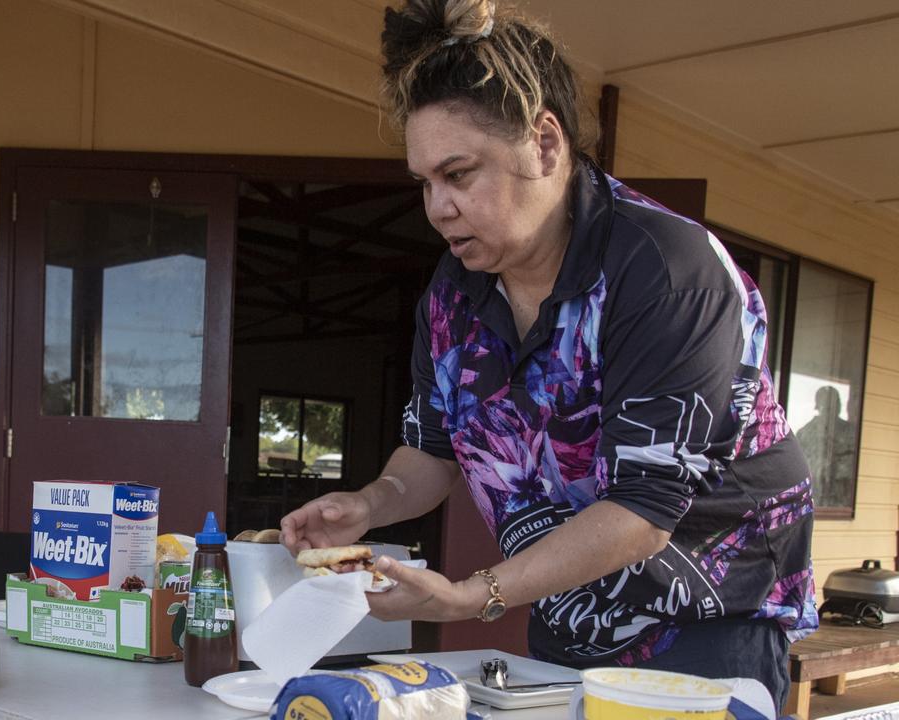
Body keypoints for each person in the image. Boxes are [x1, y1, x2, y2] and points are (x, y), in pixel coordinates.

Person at [280, 0, 816, 706]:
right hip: (564, 623)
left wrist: (472, 596)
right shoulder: (452, 294)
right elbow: (433, 451)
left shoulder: (664, 271)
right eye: (425, 183)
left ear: (545, 143)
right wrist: (370, 503)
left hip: (708, 633)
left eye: (460, 173)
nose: (437, 207)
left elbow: (642, 513)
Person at [795, 385, 857, 508]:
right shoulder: (804, 433)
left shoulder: (851, 431)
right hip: (812, 498)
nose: (832, 408)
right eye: (827, 405)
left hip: (842, 500)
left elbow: (853, 465)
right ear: (819, 406)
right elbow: (797, 468)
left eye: (836, 403)